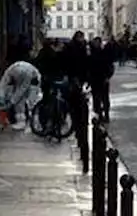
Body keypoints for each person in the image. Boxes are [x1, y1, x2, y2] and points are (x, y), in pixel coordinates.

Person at [61, 31, 92, 172]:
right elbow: (84, 63)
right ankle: (79, 132)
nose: (82, 39)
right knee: (79, 112)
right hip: (76, 81)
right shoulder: (79, 48)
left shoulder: (72, 47)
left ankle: (78, 129)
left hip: (75, 82)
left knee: (76, 110)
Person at [0, 59, 41, 130]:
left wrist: (11, 102)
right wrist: (1, 98)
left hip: (34, 80)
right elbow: (2, 84)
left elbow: (21, 90)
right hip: (26, 77)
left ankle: (35, 122)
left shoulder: (27, 73)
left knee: (32, 101)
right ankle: (21, 121)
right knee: (19, 101)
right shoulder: (10, 72)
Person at [89, 36, 114, 122]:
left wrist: (108, 76)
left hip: (102, 78)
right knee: (98, 98)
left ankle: (105, 115)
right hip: (95, 79)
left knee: (104, 98)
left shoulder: (102, 53)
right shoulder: (92, 54)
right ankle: (99, 115)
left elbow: (109, 66)